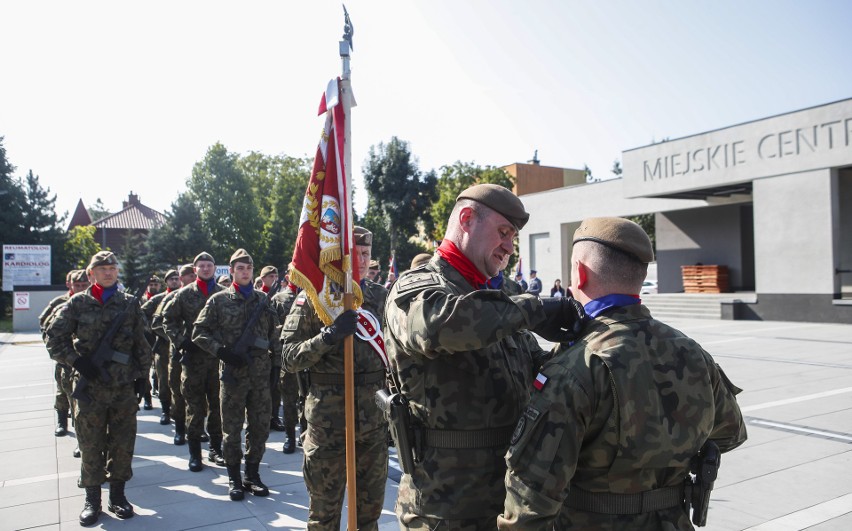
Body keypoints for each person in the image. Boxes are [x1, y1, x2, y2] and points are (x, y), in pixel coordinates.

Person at [499, 217, 748, 530]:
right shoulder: (692, 352)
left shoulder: (576, 365)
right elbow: (731, 432)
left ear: (580, 272)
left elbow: (530, 499)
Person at [384, 183, 584, 530]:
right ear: (466, 219)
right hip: (445, 503)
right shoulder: (417, 287)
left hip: (511, 496)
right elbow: (440, 326)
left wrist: (576, 347)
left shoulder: (500, 296)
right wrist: (536, 309)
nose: (509, 246)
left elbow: (534, 366)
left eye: (513, 238)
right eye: (503, 232)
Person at [281, 226, 389, 530]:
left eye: (367, 254)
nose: (363, 260)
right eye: (356, 254)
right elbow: (289, 359)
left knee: (368, 517)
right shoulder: (315, 298)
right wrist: (328, 337)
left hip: (372, 425)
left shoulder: (381, 297)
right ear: (340, 258)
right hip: (328, 426)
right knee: (323, 517)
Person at [45, 251, 152, 525]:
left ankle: (118, 496)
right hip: (90, 387)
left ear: (117, 272)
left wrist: (143, 376)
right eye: (101, 268)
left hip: (122, 386)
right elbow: (54, 338)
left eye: (112, 268)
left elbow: (142, 342)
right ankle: (93, 499)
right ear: (91, 273)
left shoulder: (129, 303)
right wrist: (77, 361)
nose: (107, 272)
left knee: (123, 441)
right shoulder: (77, 304)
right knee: (90, 444)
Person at [193, 248, 280, 501]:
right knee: (231, 429)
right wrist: (221, 351)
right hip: (233, 376)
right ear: (231, 271)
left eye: (249, 268)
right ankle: (233, 477)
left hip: (261, 376)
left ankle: (252, 474)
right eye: (240, 268)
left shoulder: (264, 300)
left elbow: (273, 334)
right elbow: (199, 332)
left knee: (260, 427)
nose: (245, 272)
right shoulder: (218, 301)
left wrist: (276, 367)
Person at [163, 252, 225, 471]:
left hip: (217, 359)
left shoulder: (223, 294)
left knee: (218, 406)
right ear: (195, 269)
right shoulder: (183, 295)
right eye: (201, 266)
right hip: (193, 359)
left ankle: (216, 449)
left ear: (215, 268)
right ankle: (195, 452)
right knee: (194, 407)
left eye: (209, 265)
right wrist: (180, 341)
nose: (206, 269)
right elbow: (167, 320)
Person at [39, 269, 90, 438]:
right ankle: (62, 421)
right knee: (65, 394)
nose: (81, 288)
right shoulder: (60, 303)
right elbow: (46, 328)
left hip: (87, 362)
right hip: (66, 360)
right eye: (78, 285)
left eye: (85, 285)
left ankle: (81, 439)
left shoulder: (92, 303)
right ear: (70, 285)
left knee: (81, 402)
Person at [152, 264, 196, 444]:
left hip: (202, 354)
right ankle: (179, 428)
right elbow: (157, 323)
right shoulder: (172, 297)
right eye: (185, 276)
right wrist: (177, 339)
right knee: (178, 392)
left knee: (199, 396)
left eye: (192, 275)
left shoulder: (210, 295)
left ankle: (198, 429)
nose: (189, 278)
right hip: (179, 353)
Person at [141, 269, 180, 425]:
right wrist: (150, 330)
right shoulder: (159, 299)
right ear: (166, 282)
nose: (175, 282)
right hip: (163, 346)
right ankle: (165, 410)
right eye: (171, 279)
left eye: (177, 279)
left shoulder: (184, 296)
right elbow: (141, 314)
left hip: (180, 347)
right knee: (164, 380)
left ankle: (178, 413)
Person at [271, 275, 303, 454]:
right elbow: (272, 329)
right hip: (287, 358)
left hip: (308, 356)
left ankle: (305, 433)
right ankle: (290, 436)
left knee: (307, 399)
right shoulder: (279, 299)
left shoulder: (313, 296)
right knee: (289, 400)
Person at [258, 265, 287, 434]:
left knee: (275, 388)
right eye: (270, 276)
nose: (274, 278)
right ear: (263, 279)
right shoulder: (262, 297)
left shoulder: (274, 296)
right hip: (259, 352)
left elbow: (275, 327)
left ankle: (274, 416)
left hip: (275, 348)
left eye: (275, 275)